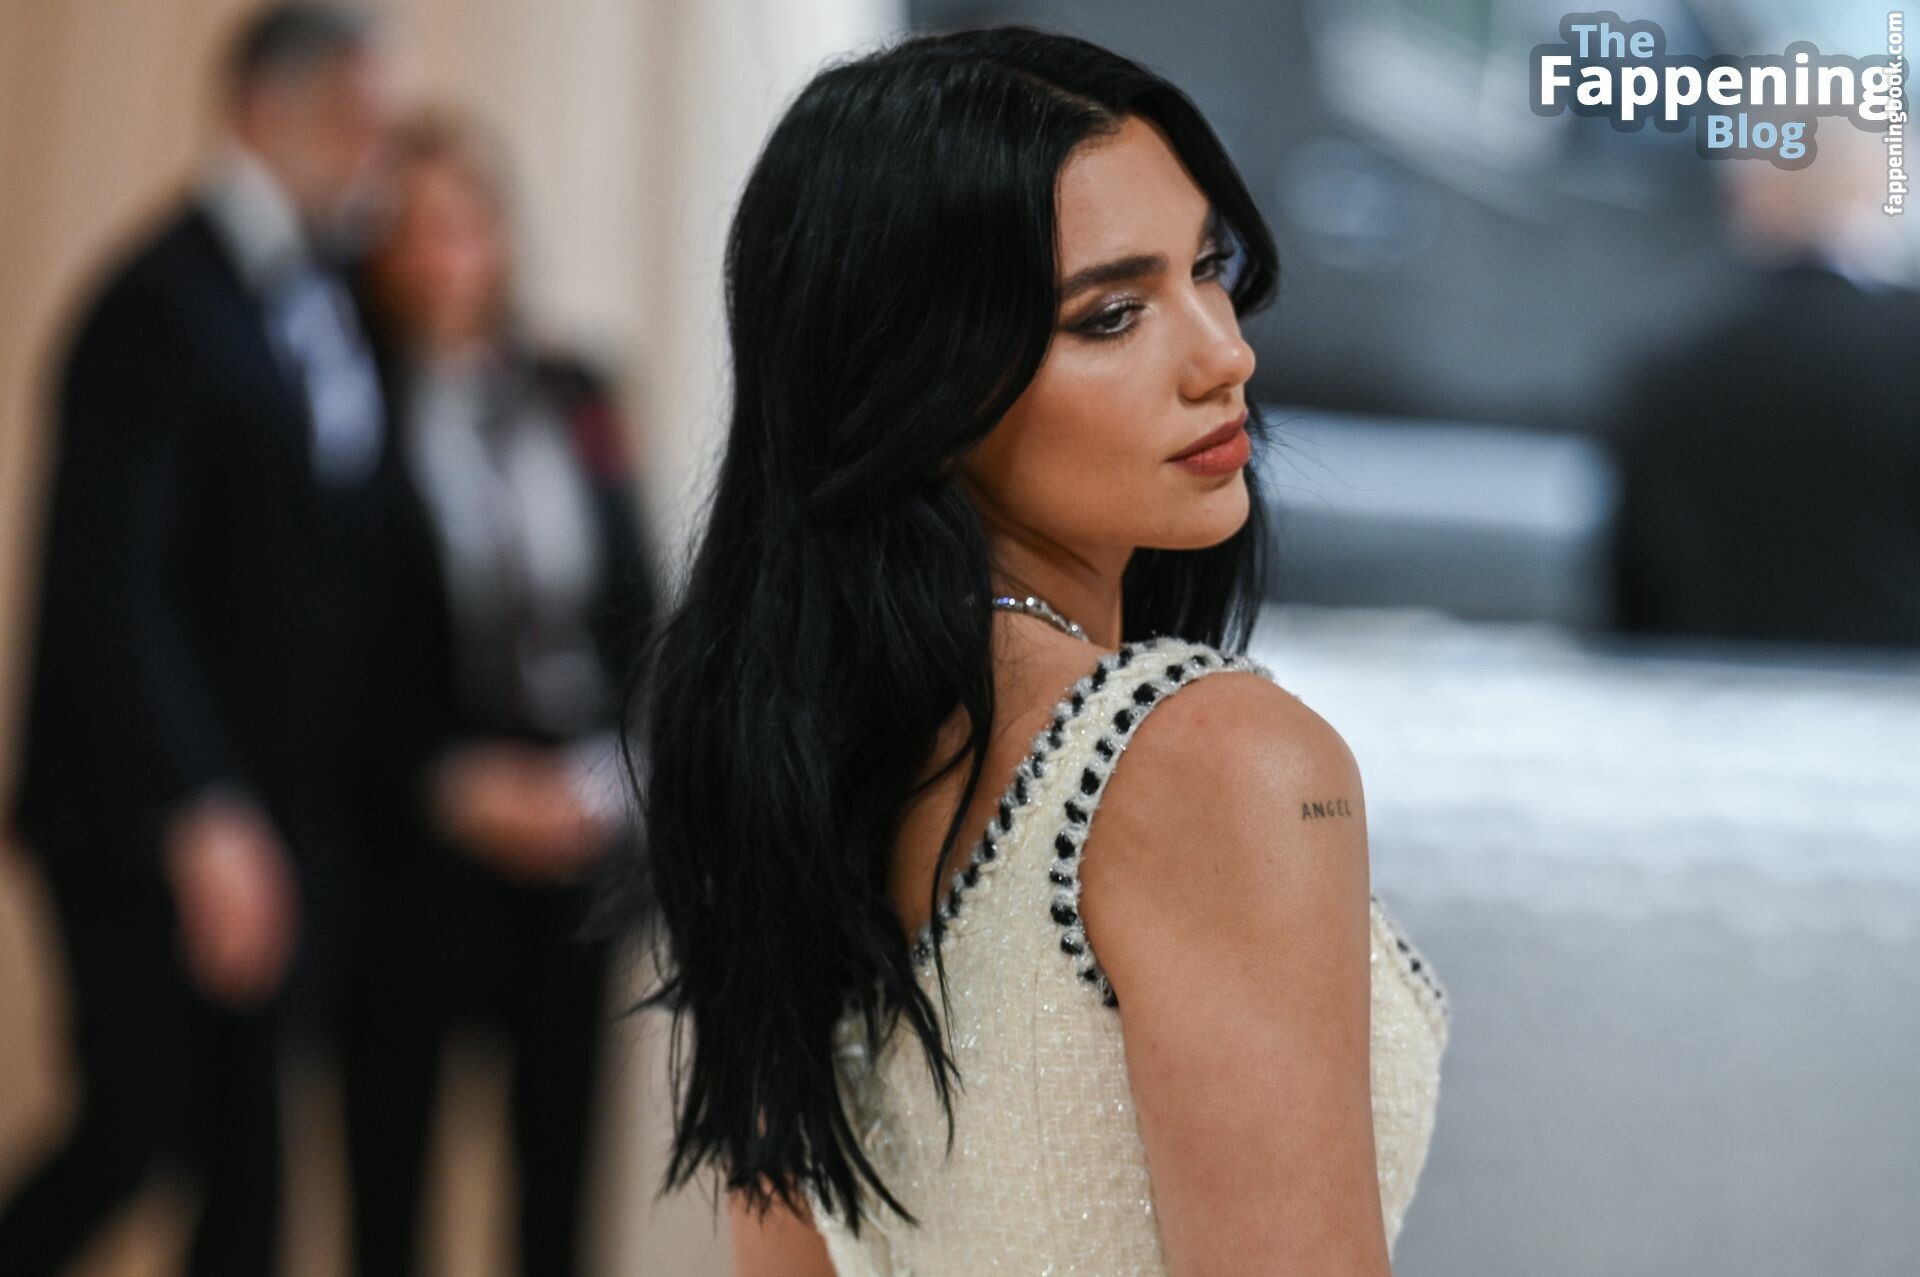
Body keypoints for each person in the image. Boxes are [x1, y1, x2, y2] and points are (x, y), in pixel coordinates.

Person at [584, 26, 1451, 1276]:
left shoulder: (794, 768)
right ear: (918, 385)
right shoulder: (1216, 760)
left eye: (1210, 268)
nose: (1226, 353)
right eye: (1113, 314)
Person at [0, 4, 398, 1274]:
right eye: (356, 122)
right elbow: (109, 586)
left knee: (247, 1173)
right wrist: (203, 808)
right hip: (152, 822)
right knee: (131, 1130)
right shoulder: (157, 302)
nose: (378, 156)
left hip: (283, 818)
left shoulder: (326, 302)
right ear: (260, 112)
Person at [339, 111, 657, 1277]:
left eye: (467, 221)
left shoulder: (575, 391)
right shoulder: (350, 407)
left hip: (576, 840)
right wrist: (451, 785)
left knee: (557, 1200)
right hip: (412, 850)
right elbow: (331, 651)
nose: (447, 251)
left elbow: (639, 610)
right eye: (417, 229)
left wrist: (609, 777)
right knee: (390, 1195)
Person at [1608, 125, 1920, 649]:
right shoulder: (1906, 350)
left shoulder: (1670, 363)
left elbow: (1634, 595)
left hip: (1709, 686)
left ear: (1746, 191)